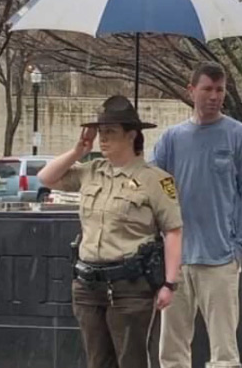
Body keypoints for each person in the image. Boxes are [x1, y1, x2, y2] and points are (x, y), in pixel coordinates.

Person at [38, 95, 183, 368]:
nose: (103, 139)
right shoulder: (91, 171)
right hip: (89, 283)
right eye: (101, 132)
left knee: (131, 361)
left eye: (111, 132)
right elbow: (46, 178)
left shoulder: (156, 180)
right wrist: (78, 151)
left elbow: (173, 231)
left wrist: (169, 283)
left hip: (130, 285)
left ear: (131, 135)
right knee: (98, 361)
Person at [153, 62, 242, 368]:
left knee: (225, 354)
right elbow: (149, 186)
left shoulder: (241, 137)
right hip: (177, 262)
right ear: (191, 91)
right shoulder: (171, 140)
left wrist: (239, 248)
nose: (214, 96)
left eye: (220, 89)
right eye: (207, 89)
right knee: (172, 353)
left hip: (221, 260)